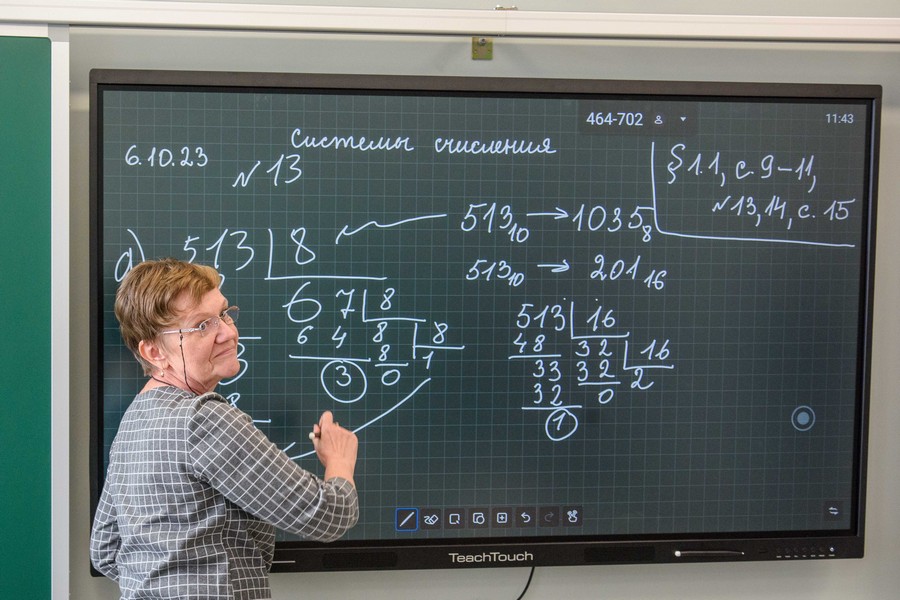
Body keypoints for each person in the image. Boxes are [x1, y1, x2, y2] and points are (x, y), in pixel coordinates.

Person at [90, 258, 359, 599]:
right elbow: (329, 514)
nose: (229, 333)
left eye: (224, 314)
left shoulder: (132, 422)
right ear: (154, 351)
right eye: (202, 325)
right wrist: (339, 461)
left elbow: (104, 549)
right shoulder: (204, 420)